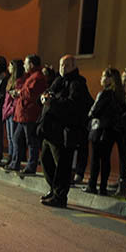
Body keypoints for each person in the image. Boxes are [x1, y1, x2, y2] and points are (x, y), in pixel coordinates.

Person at [38, 54, 92, 208]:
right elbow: (47, 93)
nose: (63, 68)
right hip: (50, 131)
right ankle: (53, 189)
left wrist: (53, 101)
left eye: (67, 65)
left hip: (64, 133)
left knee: (62, 165)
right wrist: (44, 97)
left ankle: (60, 196)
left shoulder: (77, 84)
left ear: (74, 66)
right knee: (46, 161)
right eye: (61, 65)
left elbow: (72, 106)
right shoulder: (58, 81)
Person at [85, 67, 125, 195]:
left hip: (99, 129)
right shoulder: (120, 95)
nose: (101, 79)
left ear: (109, 79)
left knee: (95, 159)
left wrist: (91, 114)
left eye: (103, 76)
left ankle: (92, 185)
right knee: (106, 159)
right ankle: (103, 187)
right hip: (111, 131)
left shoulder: (104, 94)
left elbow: (93, 111)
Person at [8, 54, 46, 174]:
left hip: (29, 114)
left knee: (31, 141)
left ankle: (31, 166)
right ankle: (15, 163)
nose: (24, 65)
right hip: (24, 114)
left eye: (26, 63)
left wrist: (19, 93)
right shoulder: (31, 76)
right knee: (17, 138)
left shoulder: (37, 77)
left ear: (31, 64)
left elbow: (31, 94)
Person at [1, 58, 23, 166]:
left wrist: (10, 109)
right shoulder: (10, 80)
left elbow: (15, 98)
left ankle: (14, 158)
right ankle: (10, 156)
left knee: (13, 138)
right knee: (9, 137)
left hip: (12, 111)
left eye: (10, 66)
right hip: (8, 110)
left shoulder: (19, 81)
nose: (8, 68)